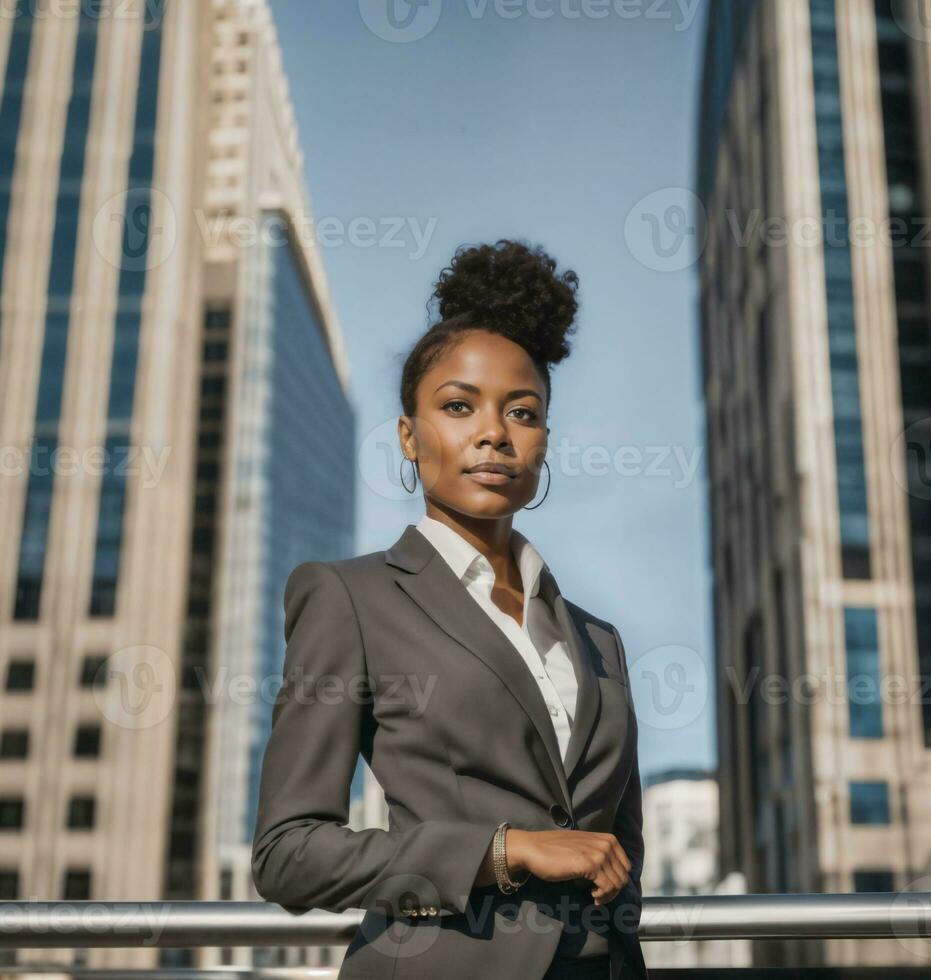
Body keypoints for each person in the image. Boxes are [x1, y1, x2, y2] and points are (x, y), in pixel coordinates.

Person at [251, 239, 646, 979]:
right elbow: (289, 854)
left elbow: (622, 853)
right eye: (459, 406)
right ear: (409, 434)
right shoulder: (351, 598)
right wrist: (506, 849)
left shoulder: (600, 639)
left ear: (544, 443)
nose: (493, 432)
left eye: (521, 412)